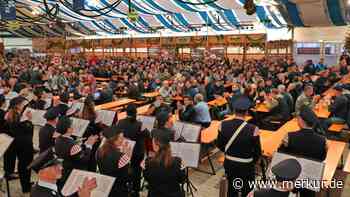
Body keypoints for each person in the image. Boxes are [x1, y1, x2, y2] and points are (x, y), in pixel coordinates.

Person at [216, 96, 261, 197]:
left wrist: (230, 152)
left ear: (233, 111)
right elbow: (257, 152)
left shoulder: (222, 125)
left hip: (230, 163)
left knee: (232, 188)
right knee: (247, 190)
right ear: (246, 113)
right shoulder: (254, 129)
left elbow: (219, 145)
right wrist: (251, 160)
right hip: (247, 165)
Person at [279, 107, 327, 197]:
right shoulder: (322, 140)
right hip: (310, 175)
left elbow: (281, 155)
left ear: (301, 120)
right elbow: (322, 158)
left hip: (292, 175)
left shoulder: (290, 136)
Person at [29, 148, 97, 197]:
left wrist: (79, 194)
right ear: (41, 173)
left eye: (59, 165)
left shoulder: (46, 185)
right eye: (55, 167)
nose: (61, 168)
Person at [54, 116, 98, 189]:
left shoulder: (58, 139)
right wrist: (89, 145)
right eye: (72, 125)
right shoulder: (72, 145)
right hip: (73, 173)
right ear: (68, 129)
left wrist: (83, 144)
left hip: (64, 170)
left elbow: (73, 151)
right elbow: (84, 159)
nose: (73, 127)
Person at [115, 104, 149, 197]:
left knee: (125, 168)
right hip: (137, 152)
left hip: (124, 150)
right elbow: (147, 135)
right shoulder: (139, 124)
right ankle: (135, 190)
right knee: (137, 171)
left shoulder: (120, 122)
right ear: (136, 113)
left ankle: (126, 186)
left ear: (126, 112)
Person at [3, 96, 34, 194]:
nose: (26, 106)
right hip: (24, 146)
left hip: (17, 145)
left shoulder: (11, 114)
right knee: (25, 166)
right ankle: (26, 187)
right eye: (24, 104)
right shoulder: (18, 117)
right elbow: (27, 131)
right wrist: (29, 121)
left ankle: (25, 184)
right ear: (18, 105)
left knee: (23, 166)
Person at [143, 132, 186, 197]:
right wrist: (183, 168)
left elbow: (147, 179)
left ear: (156, 146)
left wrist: (144, 167)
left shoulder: (148, 162)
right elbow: (182, 180)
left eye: (152, 143)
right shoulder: (178, 161)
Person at [96, 129, 132, 197]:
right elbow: (127, 176)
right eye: (121, 138)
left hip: (105, 186)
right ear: (114, 140)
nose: (123, 139)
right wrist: (127, 158)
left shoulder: (99, 151)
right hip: (118, 190)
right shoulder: (120, 156)